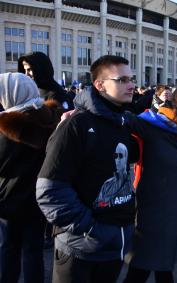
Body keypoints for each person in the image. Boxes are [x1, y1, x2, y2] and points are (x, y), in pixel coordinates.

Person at [36, 55, 139, 283]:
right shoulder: (76, 125)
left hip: (115, 246)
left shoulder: (124, 122)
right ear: (100, 85)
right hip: (80, 248)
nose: (131, 85)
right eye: (121, 80)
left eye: (131, 79)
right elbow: (49, 192)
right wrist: (92, 229)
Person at [125, 86, 177, 283]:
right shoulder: (154, 125)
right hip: (153, 213)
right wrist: (85, 103)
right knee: (141, 267)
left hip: (174, 213)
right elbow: (122, 116)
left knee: (162, 265)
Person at [0, 73, 61, 283]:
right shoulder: (52, 119)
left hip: (9, 200)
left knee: (9, 248)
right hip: (40, 199)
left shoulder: (6, 127)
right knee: (33, 250)